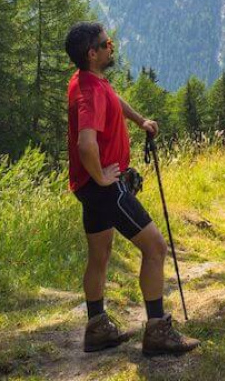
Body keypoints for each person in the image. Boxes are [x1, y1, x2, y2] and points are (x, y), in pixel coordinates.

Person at [64, 22, 199, 356]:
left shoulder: (87, 81)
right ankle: (156, 332)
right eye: (106, 43)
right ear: (92, 53)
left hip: (89, 188)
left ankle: (97, 329)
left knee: (100, 253)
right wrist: (102, 178)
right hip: (105, 188)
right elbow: (85, 145)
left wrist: (140, 121)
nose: (112, 46)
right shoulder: (90, 93)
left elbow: (113, 98)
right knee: (155, 248)